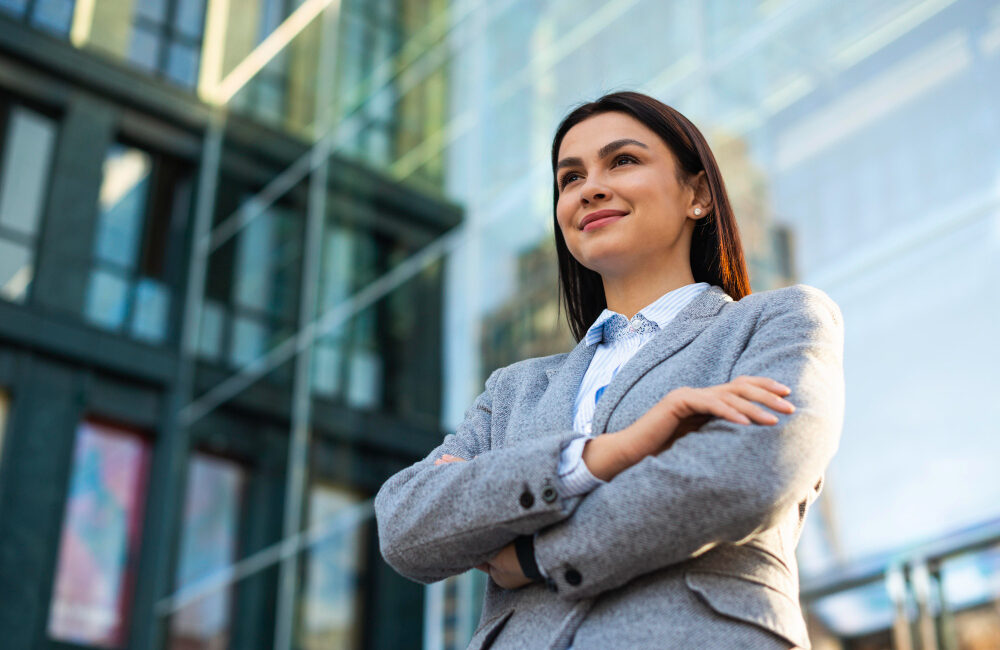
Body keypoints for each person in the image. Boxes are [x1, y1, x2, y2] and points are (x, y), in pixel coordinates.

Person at [374, 90, 845, 649]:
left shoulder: (777, 322)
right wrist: (598, 458)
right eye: (570, 178)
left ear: (697, 194)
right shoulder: (514, 390)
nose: (590, 187)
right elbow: (406, 522)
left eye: (623, 160)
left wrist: (531, 554)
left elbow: (747, 473)